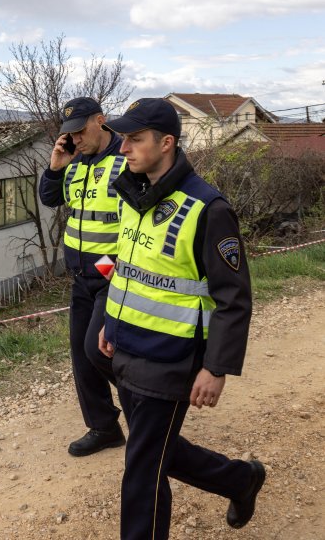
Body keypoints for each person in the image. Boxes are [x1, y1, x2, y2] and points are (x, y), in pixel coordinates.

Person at [98, 98, 265, 539]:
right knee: (155, 452)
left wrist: (216, 367)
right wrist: (110, 326)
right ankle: (239, 479)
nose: (123, 149)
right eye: (123, 139)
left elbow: (234, 298)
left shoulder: (209, 209)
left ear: (166, 142)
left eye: (134, 140)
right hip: (127, 348)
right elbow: (132, 271)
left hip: (172, 361)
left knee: (143, 473)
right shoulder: (131, 195)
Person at [38, 97, 126, 456]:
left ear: (100, 121)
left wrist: (119, 266)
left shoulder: (126, 158)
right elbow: (48, 198)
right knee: (81, 353)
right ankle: (104, 427)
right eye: (68, 133)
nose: (75, 138)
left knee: (97, 348)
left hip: (113, 274)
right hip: (81, 276)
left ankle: (150, 399)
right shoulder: (75, 162)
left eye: (80, 130)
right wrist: (56, 165)